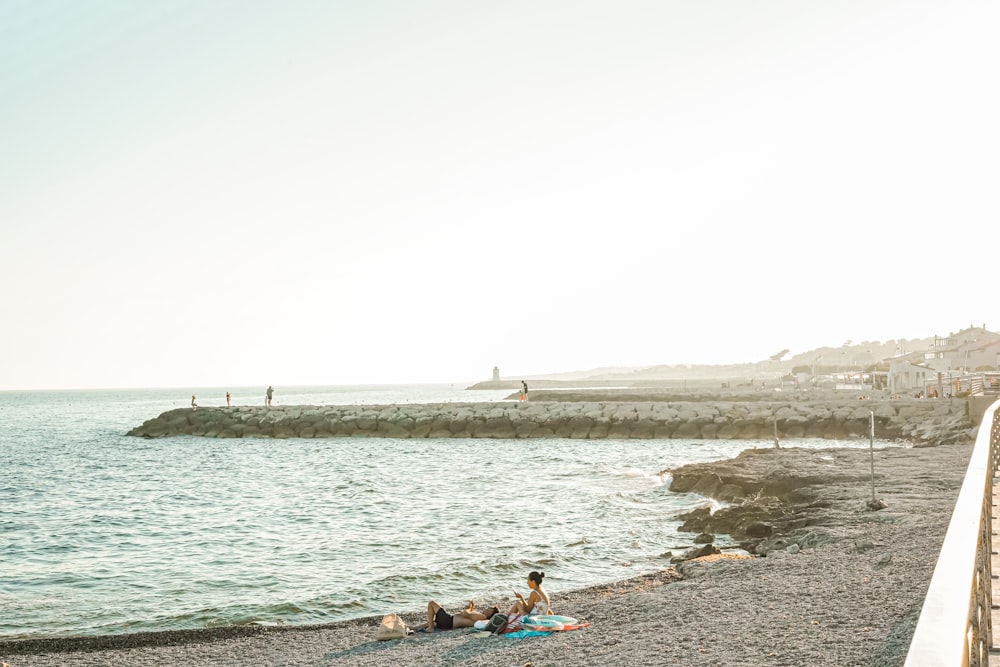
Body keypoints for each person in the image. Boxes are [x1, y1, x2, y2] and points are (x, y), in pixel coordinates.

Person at [412, 600, 501, 632]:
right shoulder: (481, 617)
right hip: (449, 623)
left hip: (449, 622)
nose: (486, 608)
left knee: (432, 603)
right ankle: (413, 627)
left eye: (489, 608)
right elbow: (468, 615)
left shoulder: (483, 617)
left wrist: (470, 608)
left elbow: (466, 614)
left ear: (491, 612)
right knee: (430, 622)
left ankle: (430, 628)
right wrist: (471, 608)